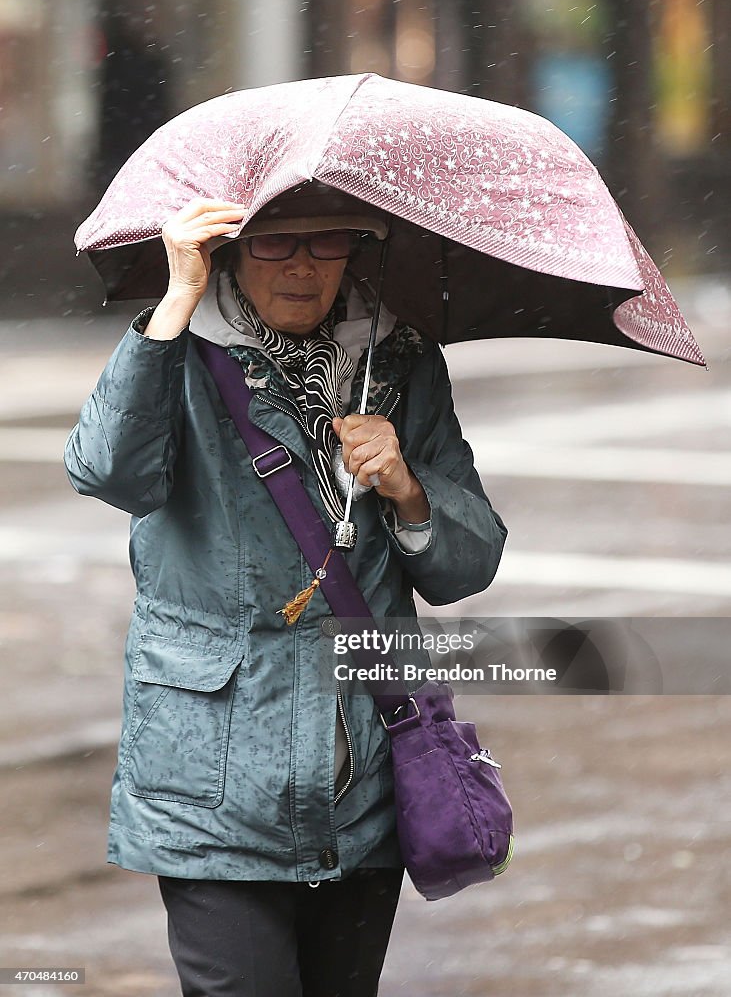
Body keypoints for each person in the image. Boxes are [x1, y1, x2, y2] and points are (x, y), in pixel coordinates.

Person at [64, 184, 508, 997]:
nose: (303, 267)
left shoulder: (401, 364)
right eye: (275, 243)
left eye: (327, 242)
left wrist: (408, 488)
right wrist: (176, 300)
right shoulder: (180, 354)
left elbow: (466, 566)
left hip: (365, 764)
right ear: (231, 248)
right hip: (214, 775)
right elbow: (108, 471)